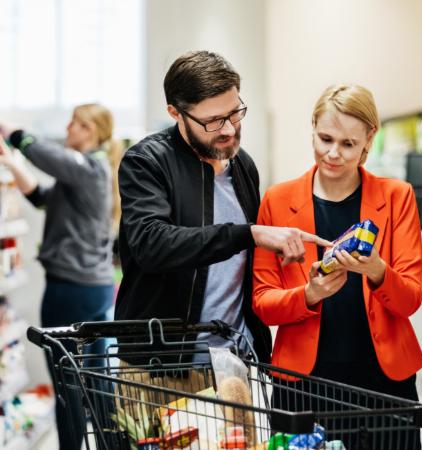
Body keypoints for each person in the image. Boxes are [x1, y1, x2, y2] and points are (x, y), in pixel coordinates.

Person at [116, 50, 330, 368]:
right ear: (176, 113)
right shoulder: (147, 163)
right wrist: (250, 234)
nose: (229, 129)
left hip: (234, 361)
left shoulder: (243, 166)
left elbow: (240, 265)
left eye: (235, 113)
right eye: (214, 121)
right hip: (161, 365)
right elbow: (152, 245)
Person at [252, 84, 422, 448]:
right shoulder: (278, 201)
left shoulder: (397, 197)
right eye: (325, 138)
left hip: (384, 382)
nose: (333, 154)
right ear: (312, 127)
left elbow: (410, 300)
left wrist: (377, 271)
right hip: (304, 384)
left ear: (368, 141)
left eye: (348, 144)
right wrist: (309, 295)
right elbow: (263, 303)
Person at [0, 103, 120, 450]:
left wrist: (14, 132)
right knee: (95, 380)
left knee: (67, 383)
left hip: (71, 289)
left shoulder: (88, 167)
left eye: (76, 124)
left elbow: (50, 159)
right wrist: (13, 166)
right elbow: (43, 197)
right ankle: (112, 445)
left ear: (91, 131)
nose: (68, 129)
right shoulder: (91, 173)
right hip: (93, 288)